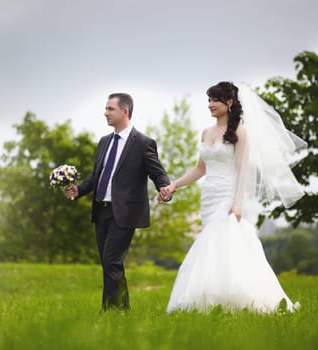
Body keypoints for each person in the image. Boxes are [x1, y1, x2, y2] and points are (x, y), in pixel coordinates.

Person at [159, 82, 305, 313]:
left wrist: (237, 205)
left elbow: (242, 171)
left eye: (215, 100)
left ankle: (242, 299)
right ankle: (214, 300)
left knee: (223, 243)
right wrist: (174, 184)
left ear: (229, 102)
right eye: (208, 100)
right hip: (208, 196)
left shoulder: (240, 132)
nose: (210, 105)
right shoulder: (206, 132)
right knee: (214, 246)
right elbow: (200, 169)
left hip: (228, 196)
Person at [64, 93, 171, 311]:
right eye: (106, 108)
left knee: (112, 261)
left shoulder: (143, 143)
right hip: (100, 211)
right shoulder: (104, 142)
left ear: (125, 111)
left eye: (110, 109)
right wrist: (78, 190)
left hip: (125, 213)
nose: (105, 113)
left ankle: (109, 312)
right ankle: (122, 311)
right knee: (109, 264)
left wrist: (165, 189)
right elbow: (96, 176)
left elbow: (157, 173)